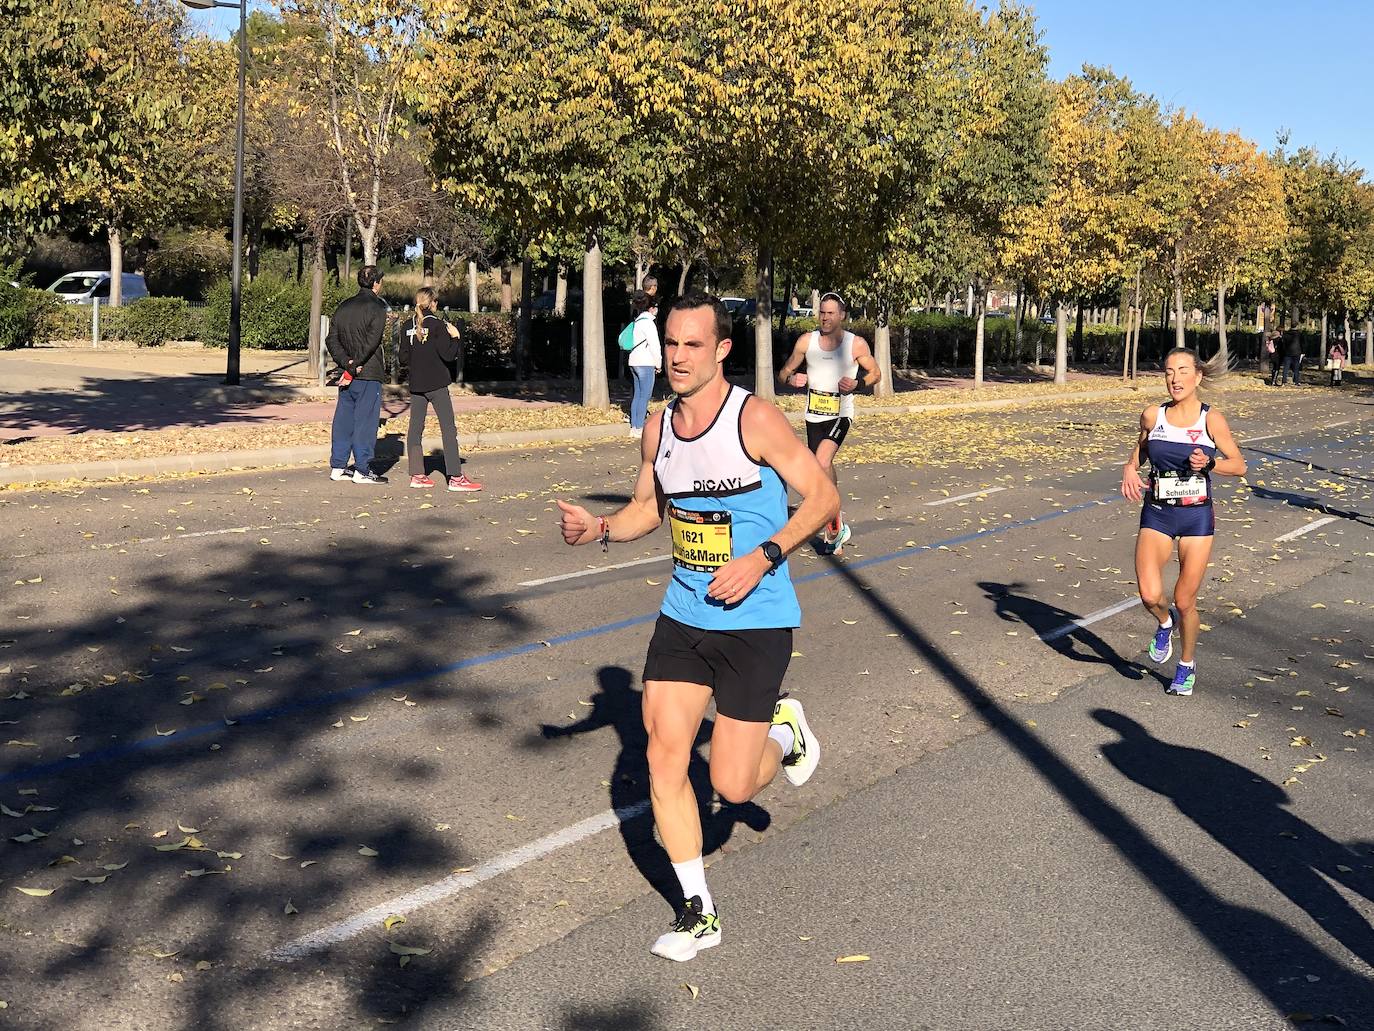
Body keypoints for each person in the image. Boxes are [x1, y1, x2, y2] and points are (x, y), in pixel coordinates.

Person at [556, 292, 839, 962]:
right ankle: (697, 911)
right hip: (684, 615)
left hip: (756, 620)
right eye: (671, 345)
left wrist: (764, 555)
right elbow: (645, 511)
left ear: (720, 350)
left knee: (732, 786)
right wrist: (598, 528)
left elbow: (823, 497)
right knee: (661, 753)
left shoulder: (757, 420)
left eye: (692, 344)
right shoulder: (657, 430)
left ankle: (784, 730)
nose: (679, 357)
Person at [1120, 347, 1246, 697]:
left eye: (1182, 371)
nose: (1175, 379)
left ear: (1198, 376)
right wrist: (1130, 469)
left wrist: (1209, 464)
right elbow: (1139, 452)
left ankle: (1186, 664)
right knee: (1149, 594)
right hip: (1158, 512)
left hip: (1195, 517)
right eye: (1168, 372)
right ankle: (1164, 623)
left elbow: (1239, 465)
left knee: (1185, 600)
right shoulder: (1152, 415)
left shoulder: (1211, 420)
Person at [776, 291, 881, 553]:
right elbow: (783, 373)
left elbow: (876, 373)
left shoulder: (855, 344)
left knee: (822, 461)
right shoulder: (805, 342)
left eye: (830, 313)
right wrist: (792, 380)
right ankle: (836, 525)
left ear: (842, 315)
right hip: (814, 415)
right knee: (822, 468)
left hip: (840, 413)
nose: (825, 318)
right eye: (822, 312)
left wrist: (858, 383)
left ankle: (831, 516)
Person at [399, 287, 481, 492]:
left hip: (416, 384)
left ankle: (417, 474)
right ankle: (455, 476)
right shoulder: (438, 325)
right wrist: (455, 337)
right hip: (436, 384)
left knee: (415, 429)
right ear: (433, 303)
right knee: (448, 429)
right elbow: (448, 355)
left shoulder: (407, 326)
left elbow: (402, 359)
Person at [326, 265, 390, 484]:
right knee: (365, 421)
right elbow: (372, 342)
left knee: (343, 419)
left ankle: (338, 465)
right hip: (367, 372)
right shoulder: (377, 307)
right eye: (380, 280)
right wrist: (355, 365)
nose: (381, 284)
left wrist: (346, 363)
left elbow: (331, 339)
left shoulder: (344, 306)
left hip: (347, 373)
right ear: (375, 283)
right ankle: (362, 469)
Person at [627, 290, 661, 438]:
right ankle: (640, 427)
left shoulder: (637, 321)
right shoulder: (649, 324)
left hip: (633, 361)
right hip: (646, 363)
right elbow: (655, 345)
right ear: (651, 308)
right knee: (645, 395)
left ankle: (634, 426)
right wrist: (658, 363)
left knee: (637, 394)